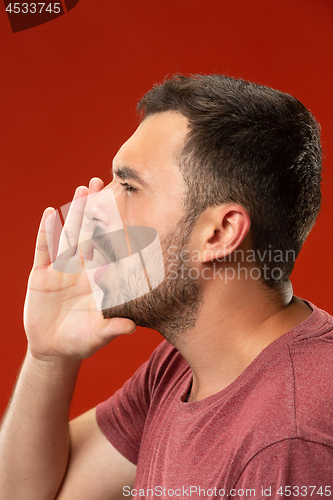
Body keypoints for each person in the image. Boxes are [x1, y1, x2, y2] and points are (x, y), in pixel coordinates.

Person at [0, 74, 332, 500]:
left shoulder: (291, 440)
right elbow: (26, 493)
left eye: (129, 187)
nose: (94, 211)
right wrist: (48, 358)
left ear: (220, 233)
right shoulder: (180, 368)